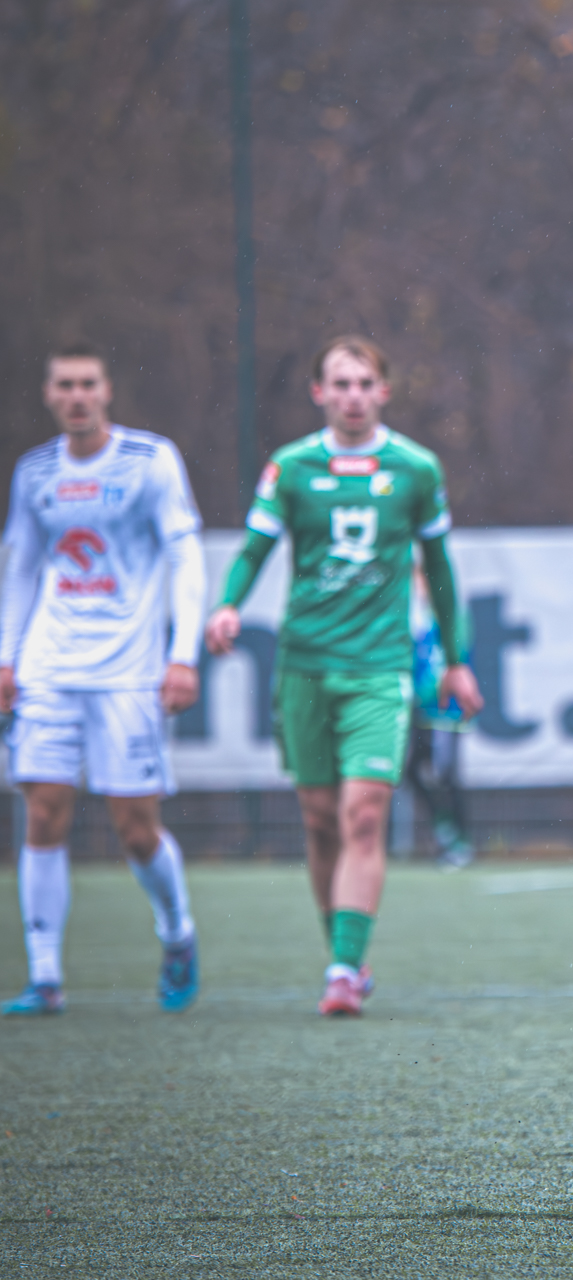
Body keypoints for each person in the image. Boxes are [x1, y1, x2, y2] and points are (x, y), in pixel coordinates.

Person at [205, 335, 482, 1017]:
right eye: (340, 383)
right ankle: (345, 952)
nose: (352, 395)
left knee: (364, 813)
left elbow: (441, 570)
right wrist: (228, 604)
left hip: (380, 668)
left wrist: (456, 661)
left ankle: (341, 971)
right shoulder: (290, 467)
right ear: (319, 392)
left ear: (382, 391)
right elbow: (254, 550)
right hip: (303, 666)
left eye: (364, 383)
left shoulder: (416, 468)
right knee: (321, 820)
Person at [1, 341, 206, 1015]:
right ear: (48, 394)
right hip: (49, 667)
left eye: (87, 383)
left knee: (136, 828)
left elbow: (185, 556)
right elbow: (20, 567)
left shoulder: (150, 461)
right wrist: (6, 657)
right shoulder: (35, 472)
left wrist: (183, 654)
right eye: (64, 385)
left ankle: (177, 932)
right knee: (42, 811)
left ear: (107, 390)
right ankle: (45, 977)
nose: (77, 396)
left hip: (127, 672)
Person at [405, 559, 473, 870]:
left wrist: (426, 690)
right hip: (419, 712)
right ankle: (446, 831)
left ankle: (460, 841)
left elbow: (455, 659)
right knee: (412, 771)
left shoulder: (451, 616)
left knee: (445, 775)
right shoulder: (413, 617)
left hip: (446, 711)